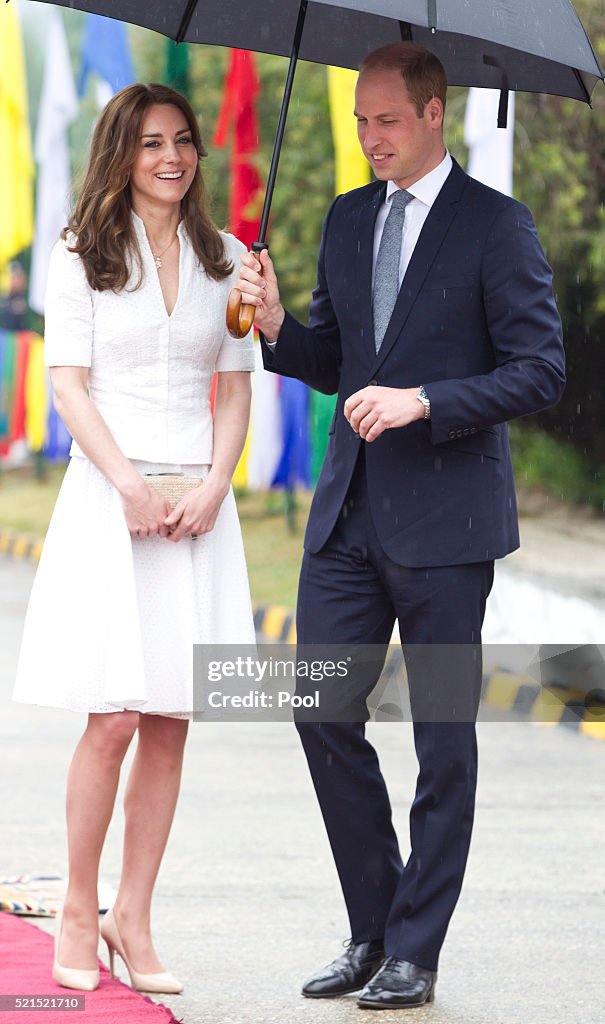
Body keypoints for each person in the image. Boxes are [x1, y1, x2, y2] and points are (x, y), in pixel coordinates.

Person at [234, 43, 565, 1010]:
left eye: (384, 120)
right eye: (359, 122)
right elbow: (332, 358)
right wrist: (273, 326)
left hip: (449, 527)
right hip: (347, 518)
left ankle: (418, 950)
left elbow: (538, 370)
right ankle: (375, 929)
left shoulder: (498, 227)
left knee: (441, 740)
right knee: (321, 713)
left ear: (431, 112)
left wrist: (426, 400)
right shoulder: (345, 218)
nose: (369, 138)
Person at [13, 83, 256, 994]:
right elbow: (68, 385)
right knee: (112, 715)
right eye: (152, 141)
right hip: (109, 497)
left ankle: (134, 916)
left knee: (169, 717)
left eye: (185, 141)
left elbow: (233, 391)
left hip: (195, 505)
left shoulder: (231, 259)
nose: (173, 156)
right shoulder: (77, 255)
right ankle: (78, 908)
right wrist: (126, 483)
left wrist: (212, 487)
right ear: (120, 151)